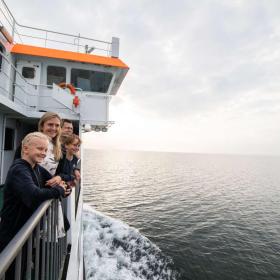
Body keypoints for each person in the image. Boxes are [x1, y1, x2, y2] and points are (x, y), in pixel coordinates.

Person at [0, 132, 67, 252]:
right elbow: (34, 195)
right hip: (12, 231)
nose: (44, 153)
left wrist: (62, 184)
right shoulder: (19, 169)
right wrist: (59, 190)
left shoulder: (36, 167)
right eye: (40, 149)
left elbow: (56, 182)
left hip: (25, 230)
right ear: (25, 149)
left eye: (46, 150)